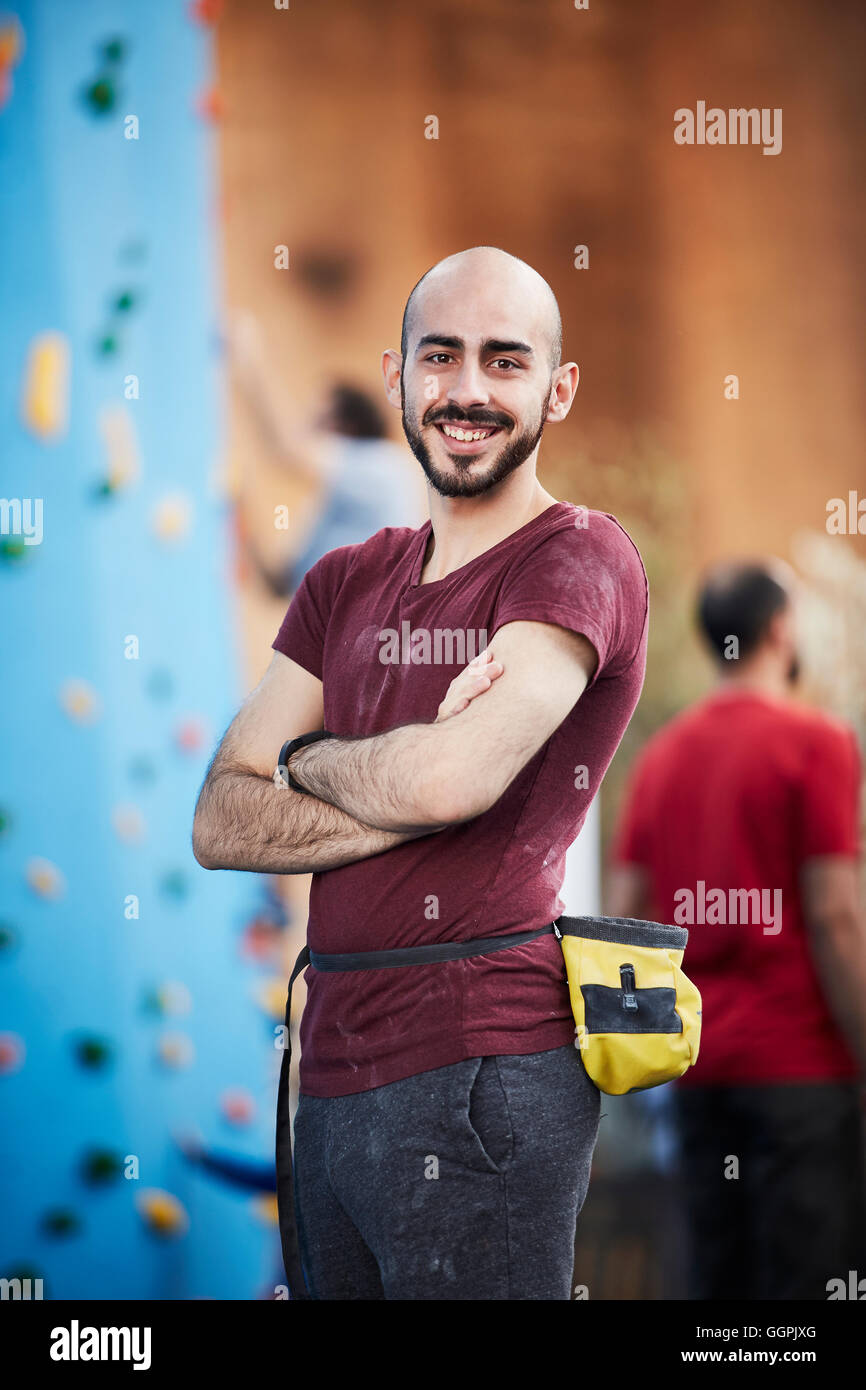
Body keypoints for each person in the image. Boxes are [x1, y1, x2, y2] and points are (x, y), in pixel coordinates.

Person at [193, 246, 649, 1300]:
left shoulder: (575, 558)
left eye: (505, 360)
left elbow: (452, 780)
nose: (469, 390)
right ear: (396, 377)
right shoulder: (343, 578)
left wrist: (301, 764)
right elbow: (221, 818)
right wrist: (408, 780)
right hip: (329, 1075)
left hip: (481, 1073)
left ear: (557, 388)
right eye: (439, 356)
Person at [609, 560, 866, 1300]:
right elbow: (836, 917)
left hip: (700, 1076)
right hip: (801, 1074)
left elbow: (630, 920)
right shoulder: (818, 742)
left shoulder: (659, 761)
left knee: (717, 1289)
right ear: (781, 630)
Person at [229, 314, 425, 596]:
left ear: (344, 425)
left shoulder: (384, 467)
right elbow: (279, 584)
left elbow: (287, 449)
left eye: (317, 415)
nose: (307, 424)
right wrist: (240, 507)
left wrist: (250, 358)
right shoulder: (336, 510)